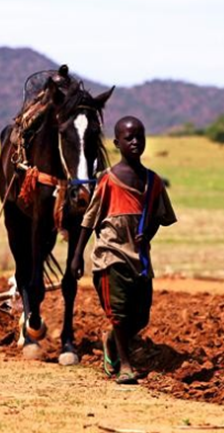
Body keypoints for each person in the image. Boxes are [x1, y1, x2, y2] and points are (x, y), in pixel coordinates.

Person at [71, 116, 176, 384]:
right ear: (117, 143)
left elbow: (160, 218)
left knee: (141, 316)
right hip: (111, 254)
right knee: (119, 314)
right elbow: (89, 219)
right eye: (128, 138)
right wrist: (77, 256)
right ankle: (125, 365)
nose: (135, 142)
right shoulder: (107, 179)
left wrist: (147, 234)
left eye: (139, 137)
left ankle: (110, 341)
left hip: (139, 258)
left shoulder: (153, 182)